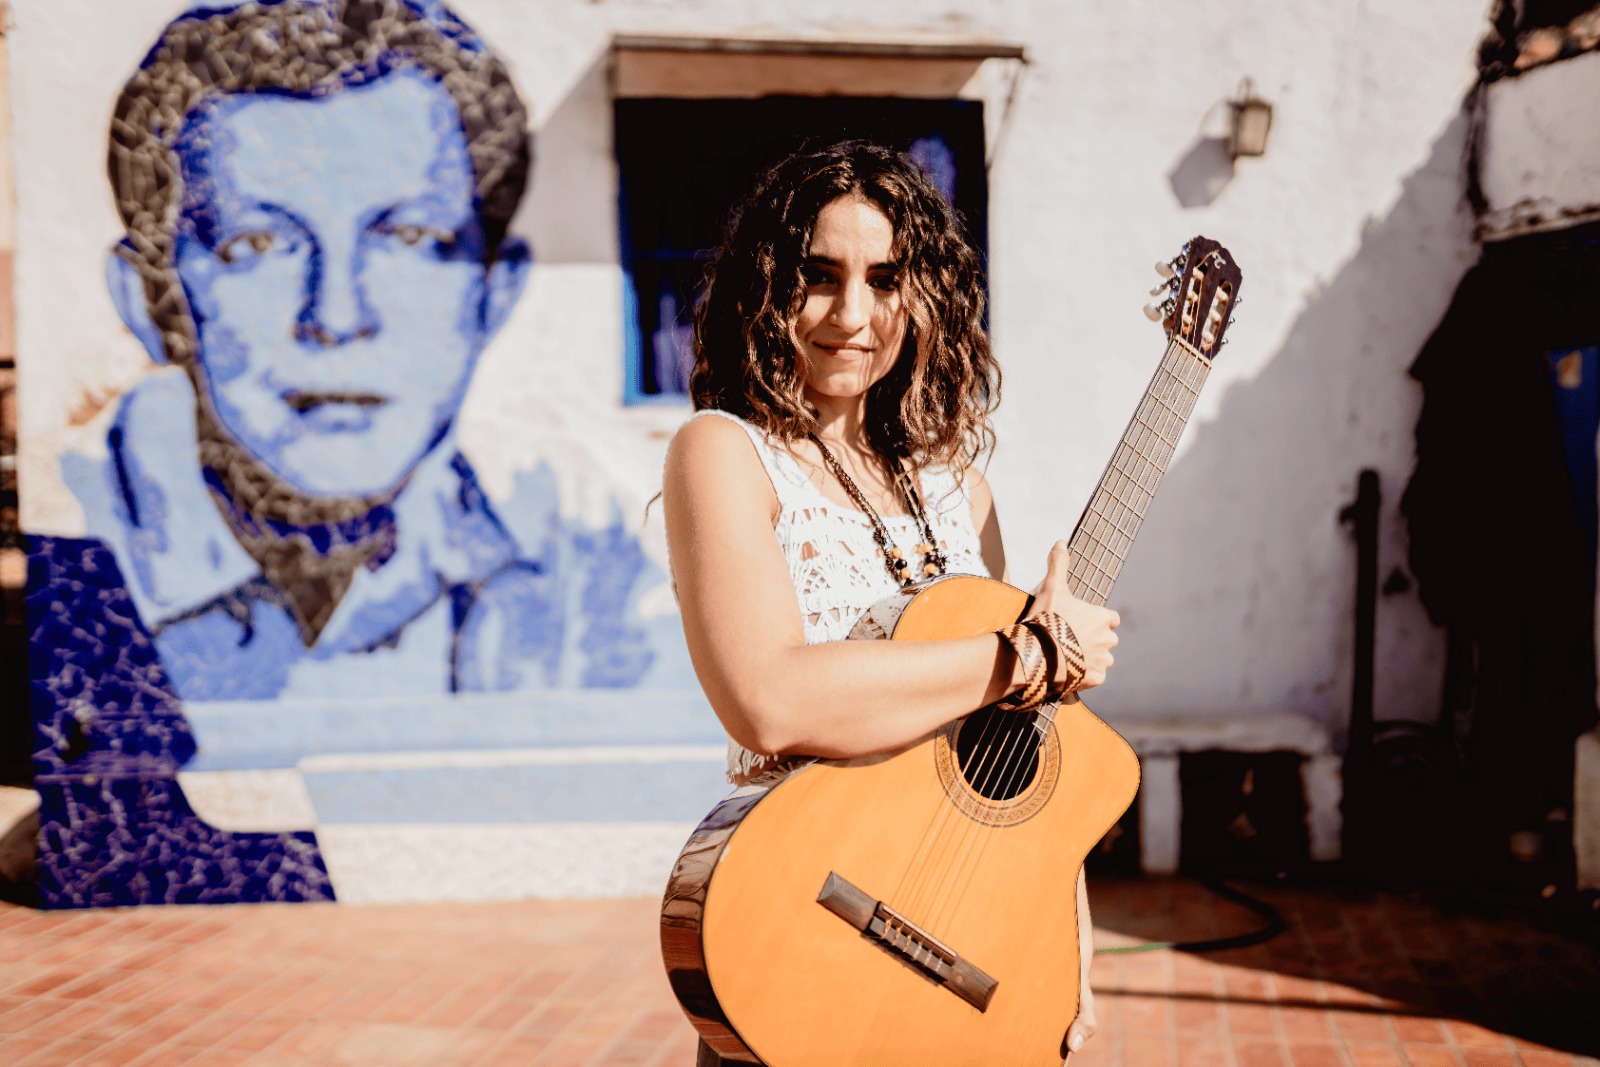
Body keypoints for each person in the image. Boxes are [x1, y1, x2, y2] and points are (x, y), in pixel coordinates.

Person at [30, 0, 664, 908]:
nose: (336, 316)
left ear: (494, 291)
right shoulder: (78, 554)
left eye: (408, 239)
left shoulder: (593, 555)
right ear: (150, 300)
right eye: (259, 244)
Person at [662, 141, 1121, 1062]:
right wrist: (1027, 652)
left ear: (924, 297)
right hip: (809, 921)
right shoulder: (723, 452)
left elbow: (1017, 744)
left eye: (884, 280)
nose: (851, 315)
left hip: (966, 937)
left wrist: (1069, 941)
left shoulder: (960, 492)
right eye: (818, 275)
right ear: (767, 286)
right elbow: (768, 699)